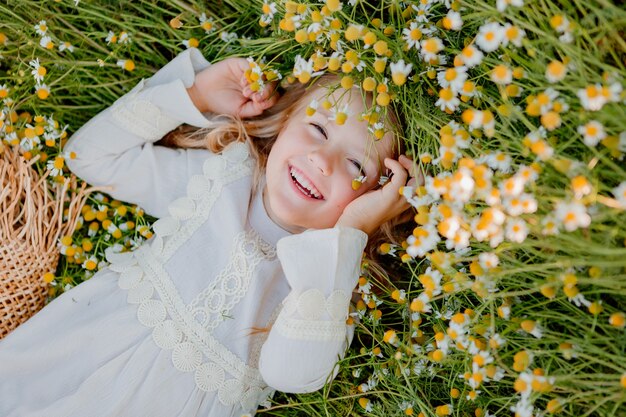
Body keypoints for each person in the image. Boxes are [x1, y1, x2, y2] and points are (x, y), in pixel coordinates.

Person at [0, 48, 418, 417]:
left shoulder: (326, 284)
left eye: (356, 166)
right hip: (68, 361)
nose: (322, 160)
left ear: (377, 198)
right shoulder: (219, 179)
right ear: (284, 123)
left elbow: (294, 374)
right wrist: (196, 94)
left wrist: (349, 236)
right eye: (319, 129)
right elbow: (87, 157)